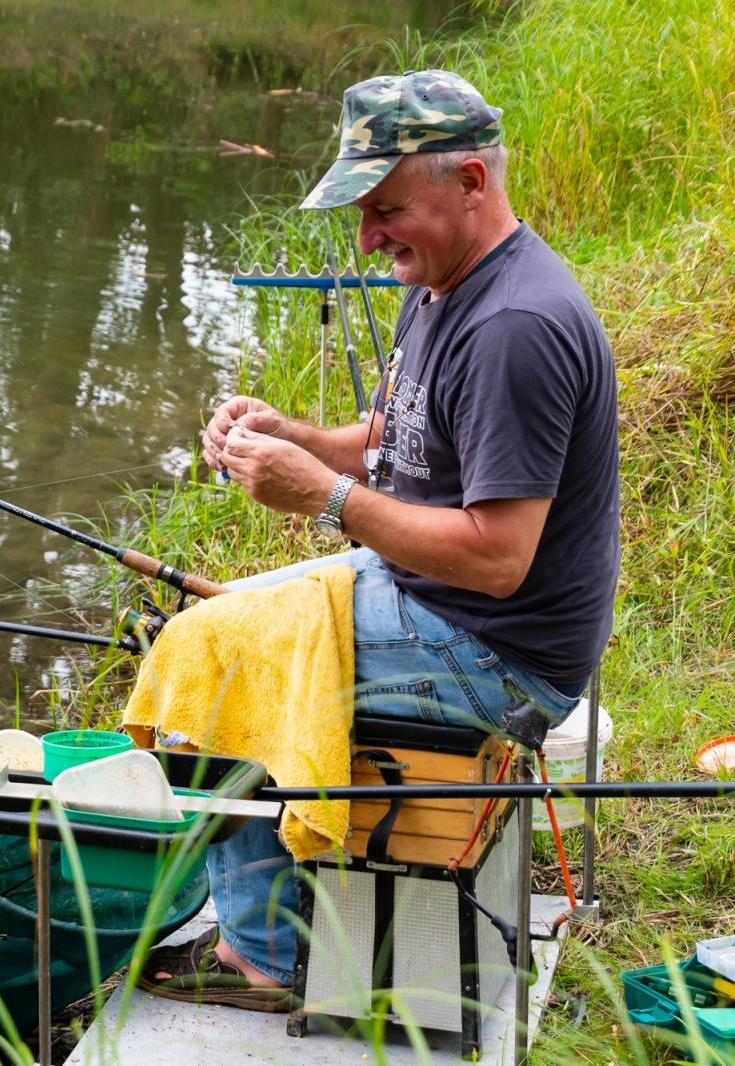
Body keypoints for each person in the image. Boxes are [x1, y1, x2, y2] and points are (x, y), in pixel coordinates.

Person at [144, 70, 620, 1010]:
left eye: (388, 209)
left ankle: (267, 953)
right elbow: (397, 434)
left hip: (500, 648)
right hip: (440, 596)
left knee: (212, 662)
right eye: (363, 214)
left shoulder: (515, 325)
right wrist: (299, 441)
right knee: (222, 621)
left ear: (473, 182)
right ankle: (276, 888)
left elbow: (496, 556)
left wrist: (323, 498)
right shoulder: (446, 280)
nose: (368, 239)